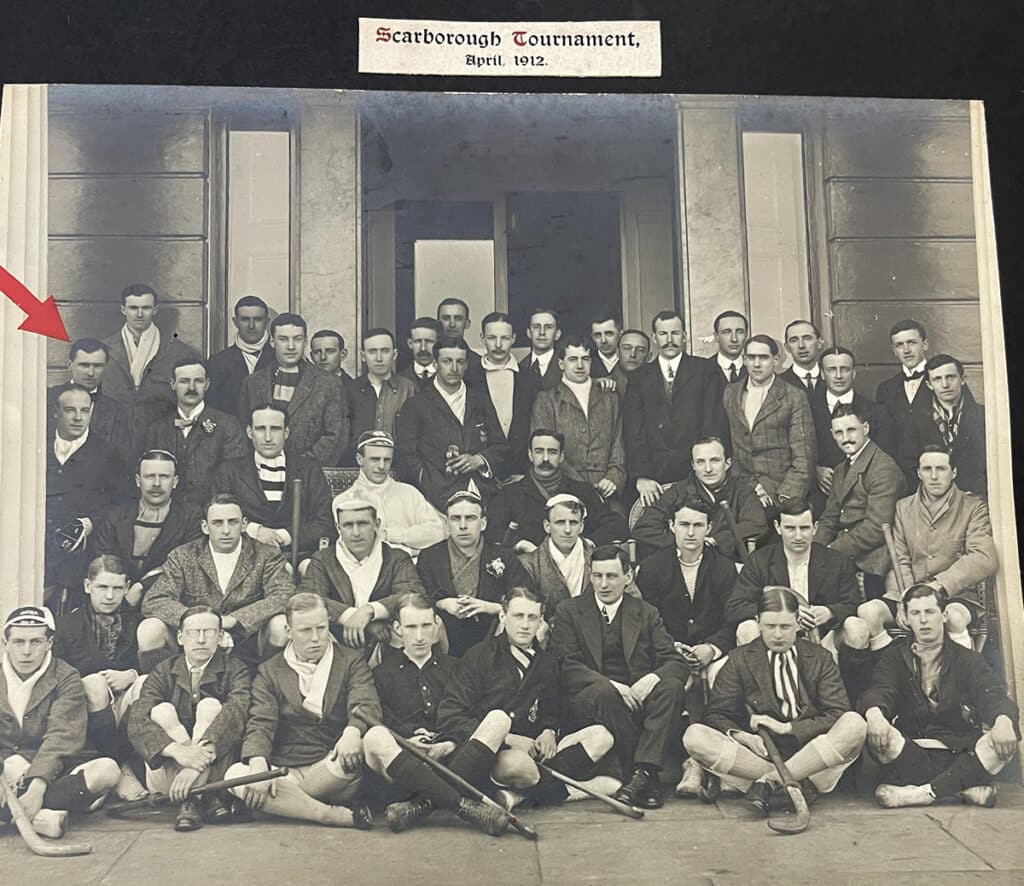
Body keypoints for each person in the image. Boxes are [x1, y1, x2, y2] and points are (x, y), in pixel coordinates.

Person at [422, 587, 617, 815]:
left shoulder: (547, 662)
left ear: (540, 621)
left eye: (532, 617)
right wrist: (509, 739)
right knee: (520, 765)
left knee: (602, 737)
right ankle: (573, 791)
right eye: (518, 616)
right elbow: (451, 716)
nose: (525, 625)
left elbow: (553, 710)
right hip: (498, 755)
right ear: (503, 617)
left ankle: (518, 796)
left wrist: (549, 732)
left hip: (537, 752)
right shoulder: (479, 656)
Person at [682, 587, 867, 814]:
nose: (777, 635)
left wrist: (788, 728)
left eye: (785, 626)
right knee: (694, 736)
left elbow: (837, 713)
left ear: (798, 623)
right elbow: (716, 714)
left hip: (814, 761)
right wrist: (744, 737)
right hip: (760, 757)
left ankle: (771, 783)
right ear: (758, 622)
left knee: (855, 723)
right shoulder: (740, 659)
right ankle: (791, 785)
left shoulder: (819, 657)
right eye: (770, 626)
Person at [550, 545, 688, 809]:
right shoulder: (569, 611)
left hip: (636, 698)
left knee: (670, 687)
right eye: (598, 575)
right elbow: (564, 665)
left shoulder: (646, 612)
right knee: (605, 693)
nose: (604, 584)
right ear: (590, 576)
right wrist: (612, 685)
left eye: (612, 576)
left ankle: (641, 774)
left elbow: (675, 661)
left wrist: (652, 678)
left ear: (628, 576)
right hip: (591, 701)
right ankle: (647, 778)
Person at [225, 593, 376, 828]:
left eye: (322, 628)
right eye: (306, 630)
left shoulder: (350, 660)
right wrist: (258, 763)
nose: (316, 638)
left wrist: (353, 732)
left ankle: (281, 807)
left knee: (348, 761)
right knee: (235, 774)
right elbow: (261, 722)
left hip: (331, 763)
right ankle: (326, 814)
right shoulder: (270, 670)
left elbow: (365, 702)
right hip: (285, 768)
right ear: (288, 631)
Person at [861, 584, 1019, 808]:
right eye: (915, 613)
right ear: (906, 618)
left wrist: (1004, 720)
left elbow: (992, 694)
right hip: (912, 752)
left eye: (930, 612)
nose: (923, 620)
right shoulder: (895, 656)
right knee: (878, 735)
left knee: (1003, 743)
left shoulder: (968, 659)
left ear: (943, 615)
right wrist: (875, 715)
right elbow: (879, 690)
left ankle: (920, 794)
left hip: (959, 751)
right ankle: (960, 786)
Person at [1, 606, 120, 839]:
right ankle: (45, 816)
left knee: (108, 770)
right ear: (5, 643)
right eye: (18, 642)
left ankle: (13, 812)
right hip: (6, 766)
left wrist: (37, 787)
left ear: (49, 643)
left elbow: (62, 735)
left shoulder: (65, 676)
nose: (26, 651)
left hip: (54, 767)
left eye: (36, 642)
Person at [127, 606, 251, 830]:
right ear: (181, 637)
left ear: (221, 637)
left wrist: (195, 767)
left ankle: (191, 800)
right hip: (169, 778)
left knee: (210, 706)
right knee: (160, 710)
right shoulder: (164, 670)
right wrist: (179, 751)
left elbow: (238, 710)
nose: (201, 640)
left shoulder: (235, 669)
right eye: (194, 632)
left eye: (209, 632)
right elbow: (137, 717)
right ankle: (202, 798)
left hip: (216, 773)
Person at [137, 494, 293, 670]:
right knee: (150, 629)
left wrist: (235, 619)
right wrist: (201, 622)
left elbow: (284, 595)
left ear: (244, 524)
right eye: (217, 523)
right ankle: (165, 685)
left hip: (248, 643)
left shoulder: (266, 555)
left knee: (281, 625)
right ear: (205, 526)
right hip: (194, 643)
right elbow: (155, 600)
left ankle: (269, 684)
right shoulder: (183, 555)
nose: (226, 530)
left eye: (233, 522)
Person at [890, 446, 997, 647]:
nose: (934, 476)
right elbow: (901, 558)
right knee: (868, 614)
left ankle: (964, 674)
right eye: (927, 469)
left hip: (956, 594)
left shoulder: (974, 506)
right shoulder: (903, 507)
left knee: (954, 619)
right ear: (918, 473)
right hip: (909, 591)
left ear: (953, 472)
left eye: (941, 469)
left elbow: (984, 557)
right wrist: (906, 600)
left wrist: (939, 585)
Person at [299, 488, 424, 652]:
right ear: (338, 528)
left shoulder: (397, 557)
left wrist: (370, 611)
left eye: (363, 523)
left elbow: (411, 593)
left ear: (376, 524)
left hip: (385, 640)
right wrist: (352, 616)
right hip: (336, 640)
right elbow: (309, 598)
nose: (356, 532)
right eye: (348, 525)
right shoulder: (323, 560)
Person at [54, 556, 144, 782]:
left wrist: (130, 675)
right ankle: (118, 767)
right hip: (88, 709)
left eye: (117, 588)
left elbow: (158, 666)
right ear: (87, 586)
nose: (110, 596)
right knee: (93, 684)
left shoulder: (138, 622)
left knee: (145, 682)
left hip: (127, 704)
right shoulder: (66, 625)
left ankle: (121, 764)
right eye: (102, 587)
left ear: (127, 588)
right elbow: (58, 674)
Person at [624, 310, 726, 506]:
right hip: (653, 479)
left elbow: (712, 423)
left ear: (685, 336)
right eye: (663, 334)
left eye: (675, 333)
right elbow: (633, 431)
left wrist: (704, 471)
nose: (669, 340)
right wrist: (641, 476)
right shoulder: (638, 377)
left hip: (696, 475)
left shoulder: (705, 370)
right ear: (654, 338)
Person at [394, 337, 508, 510]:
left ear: (467, 365)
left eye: (460, 362)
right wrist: (428, 479)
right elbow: (405, 456)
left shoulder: (480, 401)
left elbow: (500, 446)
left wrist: (479, 460)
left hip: (482, 494)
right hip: (435, 498)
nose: (454, 368)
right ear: (435, 364)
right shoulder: (416, 404)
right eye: (447, 361)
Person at [212, 406, 336, 562]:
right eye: (261, 429)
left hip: (300, 556)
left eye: (275, 429)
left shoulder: (309, 469)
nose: (268, 437)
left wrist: (285, 536)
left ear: (286, 432)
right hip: (245, 557)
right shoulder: (228, 471)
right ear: (250, 432)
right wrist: (256, 531)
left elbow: (325, 522)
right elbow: (218, 517)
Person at [727, 498, 860, 642]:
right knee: (747, 627)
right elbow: (735, 607)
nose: (798, 536)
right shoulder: (759, 560)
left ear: (815, 528)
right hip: (774, 640)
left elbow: (853, 603)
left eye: (804, 528)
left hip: (823, 641)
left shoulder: (838, 561)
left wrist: (830, 612)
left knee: (856, 625)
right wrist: (779, 612)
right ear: (778, 527)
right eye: (790, 528)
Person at [417, 491, 532, 657]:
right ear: (447, 524)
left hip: (491, 634)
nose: (463, 526)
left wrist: (490, 607)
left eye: (470, 518)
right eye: (456, 519)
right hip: (444, 637)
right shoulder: (430, 556)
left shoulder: (504, 556)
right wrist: (443, 603)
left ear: (483, 523)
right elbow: (419, 597)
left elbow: (526, 598)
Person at [635, 498, 738, 674]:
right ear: (672, 526)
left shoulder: (724, 567)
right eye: (684, 524)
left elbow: (733, 618)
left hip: (713, 655)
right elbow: (646, 620)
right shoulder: (651, 567)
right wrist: (672, 647)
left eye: (698, 525)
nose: (691, 532)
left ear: (709, 528)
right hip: (665, 655)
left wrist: (712, 648)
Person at [813, 403, 905, 598]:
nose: (845, 438)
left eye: (851, 430)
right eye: (839, 432)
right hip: (844, 552)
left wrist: (830, 551)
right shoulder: (840, 470)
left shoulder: (883, 468)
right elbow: (829, 518)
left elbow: (876, 529)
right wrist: (814, 550)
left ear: (866, 428)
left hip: (871, 558)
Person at [45, 383, 128, 599]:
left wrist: (91, 522)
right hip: (40, 552)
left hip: (84, 556)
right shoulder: (38, 447)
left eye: (84, 410)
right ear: (56, 412)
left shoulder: (108, 454)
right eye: (70, 410)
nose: (78, 417)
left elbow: (122, 503)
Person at [92, 450, 203, 608]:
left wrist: (142, 587)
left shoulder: (191, 516)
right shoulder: (117, 516)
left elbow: (188, 564)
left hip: (169, 600)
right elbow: (104, 559)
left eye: (164, 477)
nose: (156, 484)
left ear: (175, 481)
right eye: (150, 476)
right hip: (118, 599)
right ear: (138, 480)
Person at [101, 283, 202, 455]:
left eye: (146, 308)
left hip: (161, 439)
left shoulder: (178, 352)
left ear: (155, 310)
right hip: (113, 439)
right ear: (123, 309)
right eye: (133, 308)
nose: (139, 314)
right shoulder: (104, 349)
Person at [485, 430, 628, 551]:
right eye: (539, 451)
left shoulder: (583, 491)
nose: (545, 458)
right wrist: (519, 544)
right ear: (530, 455)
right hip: (528, 567)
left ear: (561, 457)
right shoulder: (510, 494)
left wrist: (589, 542)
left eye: (552, 452)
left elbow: (615, 525)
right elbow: (491, 529)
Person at [239, 313, 350, 467]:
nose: (291, 346)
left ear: (305, 342)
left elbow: (335, 437)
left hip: (311, 475)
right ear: (272, 341)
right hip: (260, 472)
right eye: (283, 339)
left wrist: (299, 467)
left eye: (297, 339)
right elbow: (244, 431)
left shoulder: (329, 383)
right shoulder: (253, 383)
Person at [631, 437, 767, 562]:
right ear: (693, 466)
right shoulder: (678, 491)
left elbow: (756, 524)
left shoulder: (741, 490)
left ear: (727, 463)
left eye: (715, 460)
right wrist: (687, 542)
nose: (708, 469)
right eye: (700, 462)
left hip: (727, 564)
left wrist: (716, 540)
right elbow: (644, 528)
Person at [722, 334, 816, 511]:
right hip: (741, 491)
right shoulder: (730, 393)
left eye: (763, 358)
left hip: (781, 493)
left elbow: (804, 457)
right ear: (744, 359)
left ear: (776, 359)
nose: (756, 364)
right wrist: (748, 489)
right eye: (751, 358)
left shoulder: (793, 396)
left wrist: (782, 497)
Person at [531, 335, 627, 502]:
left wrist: (613, 478)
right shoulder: (547, 400)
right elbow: (545, 448)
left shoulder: (609, 397)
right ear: (561, 364)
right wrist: (581, 489)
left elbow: (619, 443)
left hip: (606, 490)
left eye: (585, 359)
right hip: (564, 490)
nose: (580, 365)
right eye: (573, 359)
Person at [144, 358, 247, 507]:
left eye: (198, 381)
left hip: (212, 514)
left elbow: (235, 477)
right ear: (173, 384)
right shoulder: (157, 429)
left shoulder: (228, 425)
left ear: (207, 385)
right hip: (169, 515)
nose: (191, 387)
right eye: (184, 381)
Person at [809, 347, 895, 515]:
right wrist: (815, 470)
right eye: (832, 369)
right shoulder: (808, 408)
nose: (839, 376)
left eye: (845, 369)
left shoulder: (875, 411)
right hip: (819, 496)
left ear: (854, 373)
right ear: (822, 373)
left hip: (862, 498)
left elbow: (884, 457)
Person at [348, 430, 446, 558]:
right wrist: (412, 551)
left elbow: (437, 533)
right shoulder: (346, 501)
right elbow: (363, 547)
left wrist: (390, 535)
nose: (382, 466)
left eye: (387, 460)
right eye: (375, 459)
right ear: (360, 459)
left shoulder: (409, 492)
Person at [900, 354, 987, 497]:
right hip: (931, 498)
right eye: (937, 379)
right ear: (929, 385)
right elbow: (909, 464)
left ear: (963, 379)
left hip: (974, 496)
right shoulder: (915, 420)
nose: (945, 385)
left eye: (950, 377)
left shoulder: (983, 415)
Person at [465, 311, 538, 475]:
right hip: (481, 469)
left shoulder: (529, 379)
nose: (498, 344)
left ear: (513, 339)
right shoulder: (469, 377)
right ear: (482, 338)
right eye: (491, 338)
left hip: (521, 470)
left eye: (504, 338)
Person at [518, 494, 609, 617]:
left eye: (573, 522)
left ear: (581, 526)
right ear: (547, 526)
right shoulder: (528, 563)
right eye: (560, 522)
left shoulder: (602, 560)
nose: (567, 530)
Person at [47, 337, 130, 460]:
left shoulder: (117, 411)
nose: (91, 373)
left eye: (98, 366)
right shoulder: (48, 399)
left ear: (106, 367)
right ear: (70, 365)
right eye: (84, 365)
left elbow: (120, 459)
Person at [343, 328, 418, 464]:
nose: (379, 358)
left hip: (399, 469)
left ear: (394, 354)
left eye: (385, 351)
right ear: (363, 356)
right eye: (372, 351)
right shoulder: (349, 390)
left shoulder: (409, 389)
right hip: (357, 469)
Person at [875, 320, 932, 480]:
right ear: (894, 350)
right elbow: (884, 437)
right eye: (899, 345)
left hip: (936, 473)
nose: (906, 350)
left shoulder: (942, 380)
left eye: (912, 343)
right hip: (900, 477)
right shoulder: (886, 389)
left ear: (925, 344)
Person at [206, 295, 276, 418]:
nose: (251, 326)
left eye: (258, 319)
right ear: (235, 322)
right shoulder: (218, 362)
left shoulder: (279, 358)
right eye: (245, 319)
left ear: (267, 322)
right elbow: (211, 409)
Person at [519, 307, 563, 391]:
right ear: (528, 333)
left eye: (548, 327)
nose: (542, 332)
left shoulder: (566, 367)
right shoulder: (520, 368)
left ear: (557, 334)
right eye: (536, 327)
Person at [436, 298, 483, 374]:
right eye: (446, 318)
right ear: (438, 324)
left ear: (467, 324)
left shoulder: (478, 363)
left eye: (458, 319)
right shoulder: (429, 360)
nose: (452, 324)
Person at [779, 319, 825, 396]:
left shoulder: (832, 378)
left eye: (807, 338)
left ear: (819, 343)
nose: (801, 345)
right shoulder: (778, 383)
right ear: (787, 347)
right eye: (794, 340)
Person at [704, 310, 748, 386]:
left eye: (740, 332)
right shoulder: (702, 371)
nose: (734, 339)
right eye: (726, 332)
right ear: (716, 336)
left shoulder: (753, 369)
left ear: (746, 335)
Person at [399, 316, 442, 384]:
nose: (423, 348)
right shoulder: (398, 381)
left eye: (429, 341)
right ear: (410, 343)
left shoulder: (448, 379)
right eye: (418, 341)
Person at [588, 312, 625, 384]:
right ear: (592, 337)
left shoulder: (630, 361)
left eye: (609, 334)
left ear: (621, 334)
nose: (603, 340)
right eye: (598, 335)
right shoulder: (586, 363)